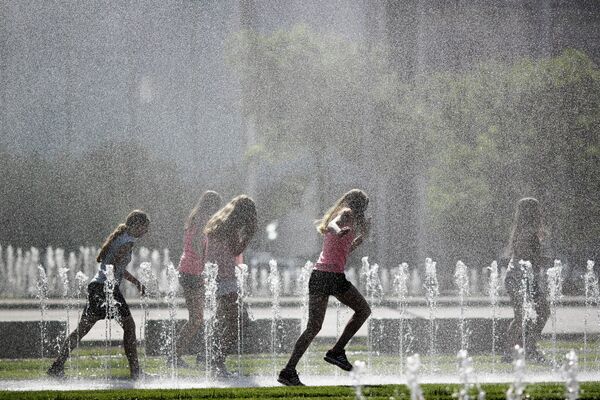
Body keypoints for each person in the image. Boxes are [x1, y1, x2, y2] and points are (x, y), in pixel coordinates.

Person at [278, 189, 372, 386]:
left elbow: (343, 249)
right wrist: (339, 230)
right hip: (331, 276)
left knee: (313, 327)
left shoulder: (348, 216)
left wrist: (359, 240)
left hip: (320, 275)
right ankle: (336, 352)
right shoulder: (347, 213)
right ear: (359, 205)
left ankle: (288, 371)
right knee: (363, 310)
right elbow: (332, 225)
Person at [47, 210, 150, 379]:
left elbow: (114, 266)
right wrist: (122, 286)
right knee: (130, 326)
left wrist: (135, 282)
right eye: (144, 228)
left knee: (82, 329)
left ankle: (56, 366)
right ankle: (136, 372)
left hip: (97, 286)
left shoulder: (121, 237)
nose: (145, 232)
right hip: (106, 288)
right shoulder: (128, 241)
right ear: (137, 225)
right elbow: (116, 266)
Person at [203, 194, 257, 377]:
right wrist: (248, 235)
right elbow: (236, 250)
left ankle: (214, 361)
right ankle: (216, 361)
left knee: (226, 322)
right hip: (226, 279)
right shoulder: (232, 227)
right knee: (237, 323)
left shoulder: (217, 222)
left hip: (216, 278)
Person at [170, 190, 222, 368]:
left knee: (197, 318)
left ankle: (190, 354)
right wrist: (203, 268)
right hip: (192, 271)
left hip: (187, 269)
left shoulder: (195, 217)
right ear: (212, 205)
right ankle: (174, 356)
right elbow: (197, 245)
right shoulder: (202, 219)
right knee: (196, 318)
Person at [502, 197, 551, 363]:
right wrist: (542, 260)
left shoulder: (527, 230)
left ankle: (528, 347)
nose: (540, 212)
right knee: (522, 315)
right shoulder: (526, 232)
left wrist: (540, 259)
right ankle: (514, 351)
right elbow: (524, 257)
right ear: (532, 212)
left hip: (523, 278)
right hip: (518, 278)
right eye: (537, 209)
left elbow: (527, 256)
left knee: (541, 312)